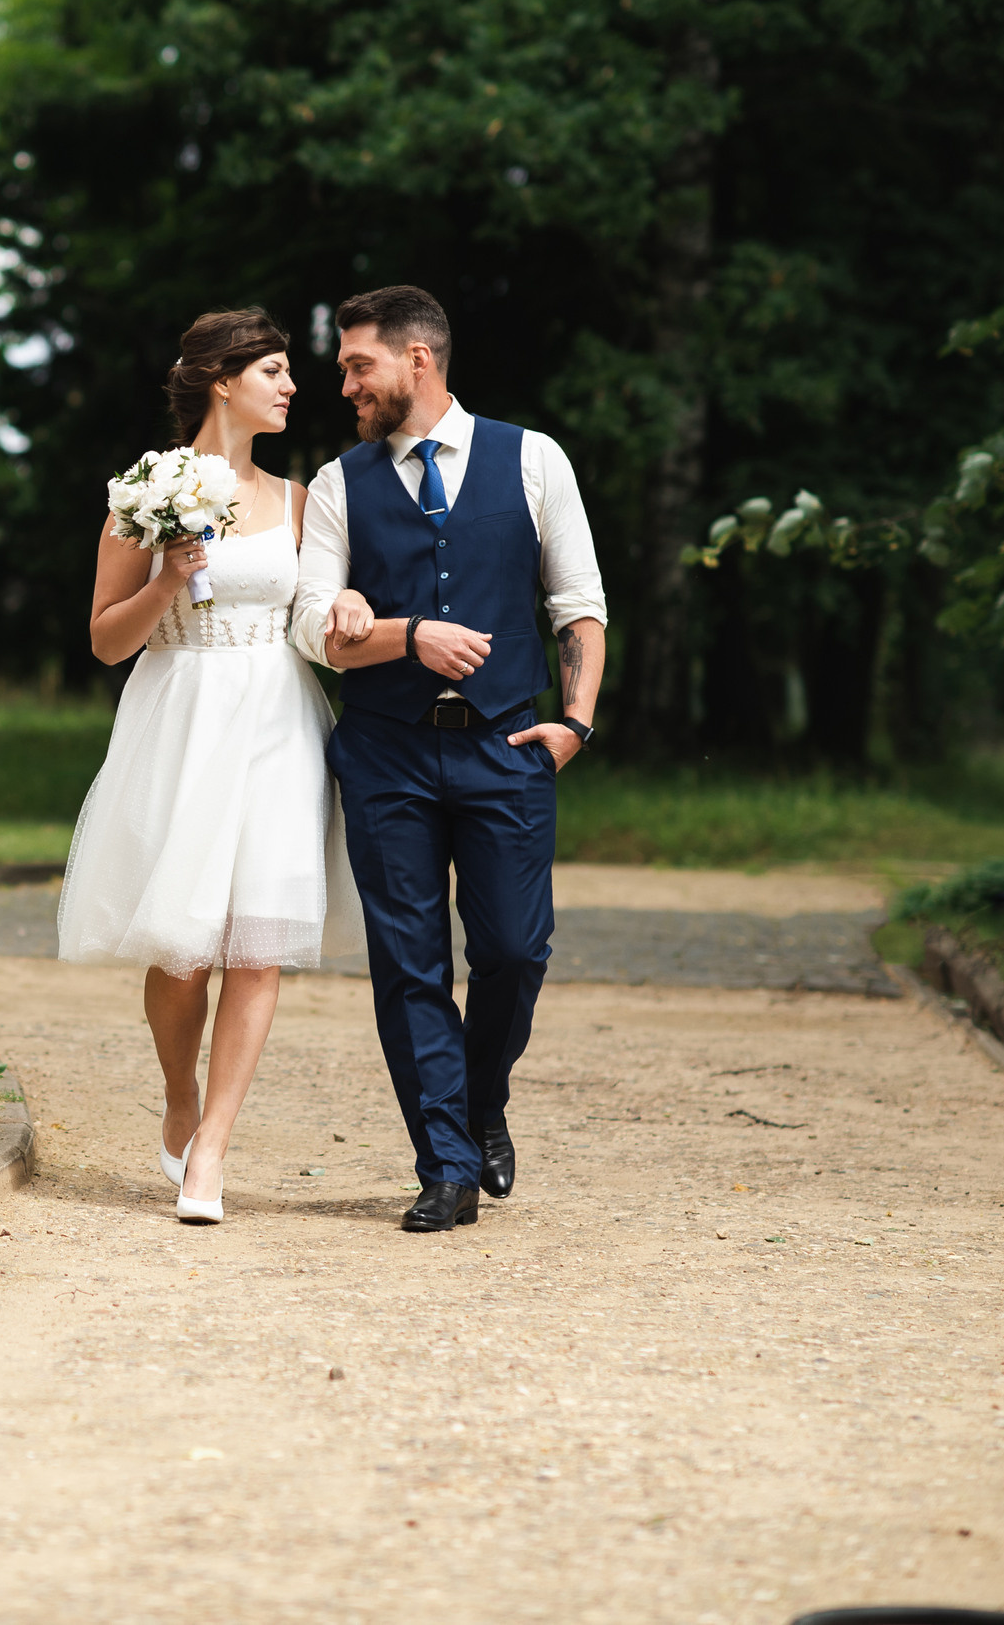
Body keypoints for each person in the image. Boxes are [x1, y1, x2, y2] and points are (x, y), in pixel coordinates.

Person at [292, 286, 608, 1233]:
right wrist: (396, 629)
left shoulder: (534, 458)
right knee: (409, 963)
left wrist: (576, 723)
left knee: (514, 950)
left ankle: (480, 1099)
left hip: (507, 745)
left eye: (359, 365)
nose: (346, 384)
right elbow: (313, 627)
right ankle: (446, 1164)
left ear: (417, 359)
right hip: (385, 754)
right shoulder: (340, 483)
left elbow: (578, 601)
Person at [58, 308, 362, 1225]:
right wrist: (164, 578)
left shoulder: (302, 500)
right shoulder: (144, 493)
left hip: (277, 719)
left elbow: (315, 608)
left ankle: (214, 1148)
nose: (292, 385)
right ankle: (179, 1091)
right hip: (182, 715)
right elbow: (106, 641)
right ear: (224, 381)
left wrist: (348, 600)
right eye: (273, 370)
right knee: (184, 951)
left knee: (258, 945)